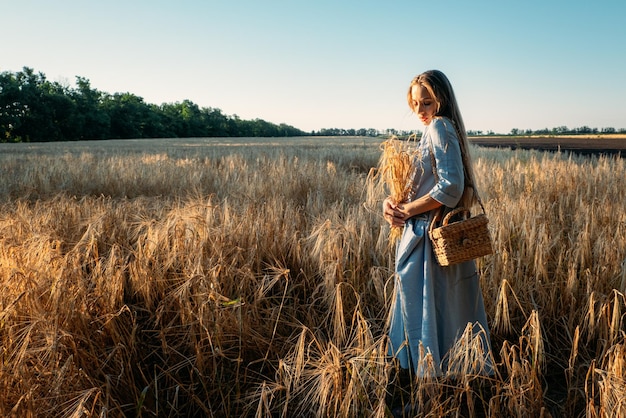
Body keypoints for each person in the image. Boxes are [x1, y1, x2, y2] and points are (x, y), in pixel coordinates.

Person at [382, 70, 492, 381]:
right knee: (434, 312)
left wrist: (407, 209)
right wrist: (392, 203)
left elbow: (450, 188)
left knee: (427, 312)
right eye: (415, 103)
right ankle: (438, 385)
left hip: (429, 238)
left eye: (427, 102)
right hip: (419, 233)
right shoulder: (432, 130)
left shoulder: (440, 127)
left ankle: (429, 390)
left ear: (441, 101)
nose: (420, 110)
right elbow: (420, 184)